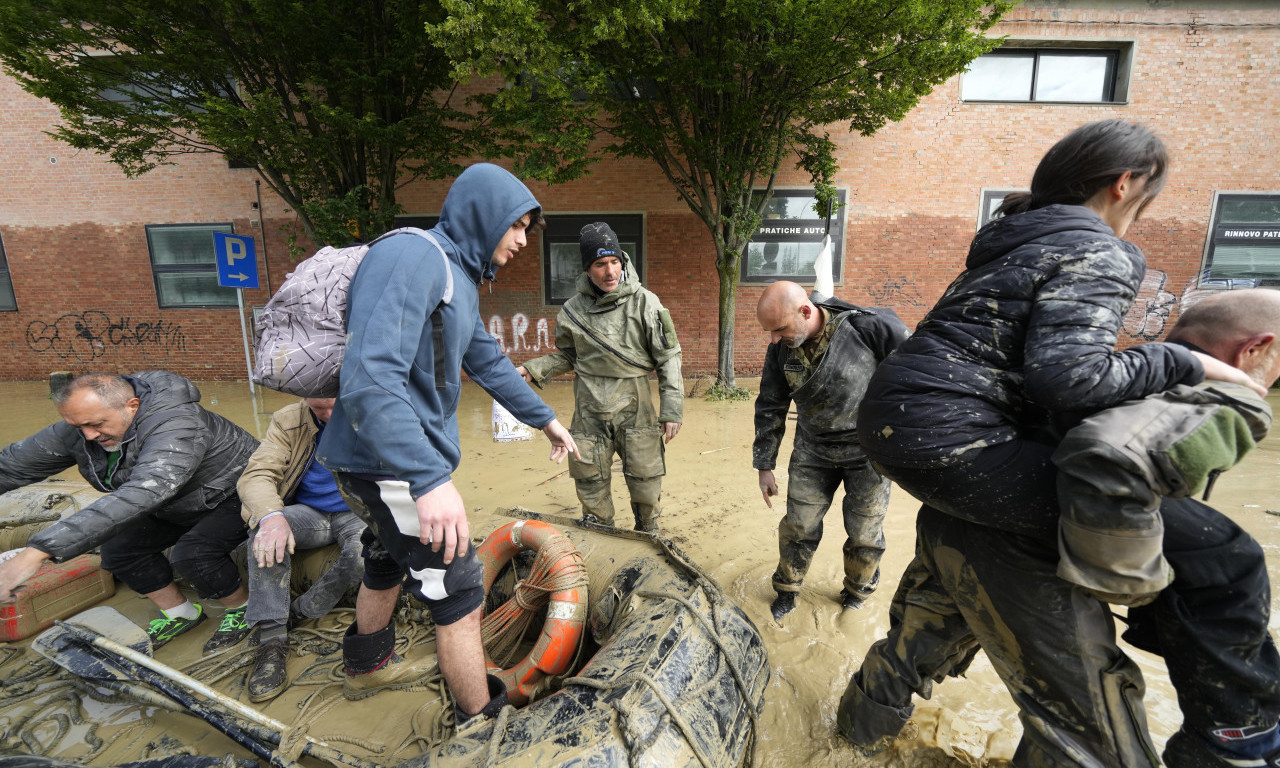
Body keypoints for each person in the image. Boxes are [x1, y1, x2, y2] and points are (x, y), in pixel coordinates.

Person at [837, 119, 1267, 767]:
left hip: (909, 429)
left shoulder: (1012, 242)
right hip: (961, 441)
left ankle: (844, 741)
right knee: (1215, 553)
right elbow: (1069, 377)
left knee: (914, 642)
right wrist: (1194, 369)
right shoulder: (1101, 249)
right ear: (1126, 185)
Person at [317, 163, 579, 722]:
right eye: (518, 226)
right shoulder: (413, 257)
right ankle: (482, 721)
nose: (523, 241)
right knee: (459, 586)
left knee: (387, 555)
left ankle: (367, 668)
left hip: (390, 460)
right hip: (386, 460)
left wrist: (546, 420)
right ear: (487, 216)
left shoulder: (458, 275)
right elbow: (369, 377)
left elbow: (486, 359)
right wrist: (429, 479)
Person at [0, 371, 258, 650]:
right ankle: (180, 614)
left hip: (233, 492)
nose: (88, 435)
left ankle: (244, 610)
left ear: (132, 406)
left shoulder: (177, 424)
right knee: (118, 549)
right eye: (78, 426)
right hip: (174, 501)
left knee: (194, 553)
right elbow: (12, 465)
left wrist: (36, 553)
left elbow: (145, 492)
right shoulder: (83, 430)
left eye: (96, 424)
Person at [751, 281, 908, 620]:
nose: (774, 339)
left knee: (866, 532)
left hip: (869, 454)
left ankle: (856, 593)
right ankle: (788, 591)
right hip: (813, 451)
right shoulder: (780, 351)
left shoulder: (868, 329)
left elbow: (914, 380)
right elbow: (770, 405)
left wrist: (902, 445)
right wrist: (765, 465)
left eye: (779, 329)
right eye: (770, 332)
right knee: (798, 526)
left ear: (806, 311)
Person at [517, 222, 683, 533]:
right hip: (589, 411)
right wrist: (534, 368)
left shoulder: (645, 302)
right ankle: (601, 537)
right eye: (600, 264)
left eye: (614, 262)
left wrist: (672, 409)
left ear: (622, 261)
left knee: (646, 483)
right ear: (587, 269)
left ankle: (648, 535)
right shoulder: (571, 311)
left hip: (637, 410)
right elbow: (569, 356)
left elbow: (668, 357)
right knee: (590, 482)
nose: (609, 272)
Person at [232, 396, 367, 703]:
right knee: (262, 532)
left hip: (357, 512)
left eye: (338, 406)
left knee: (363, 553)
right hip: (310, 513)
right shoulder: (288, 419)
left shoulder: (375, 408)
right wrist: (271, 516)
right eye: (320, 409)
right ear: (306, 398)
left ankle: (302, 610)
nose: (330, 415)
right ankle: (272, 638)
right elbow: (257, 475)